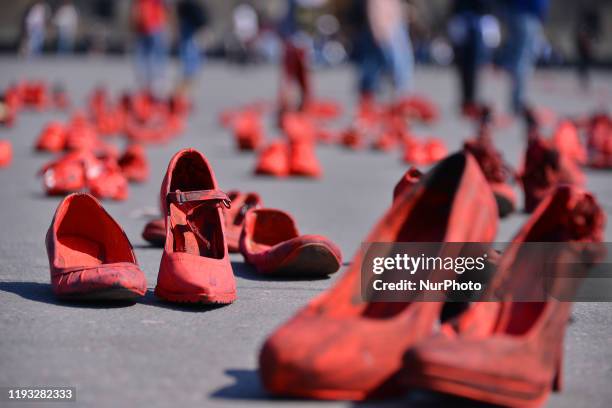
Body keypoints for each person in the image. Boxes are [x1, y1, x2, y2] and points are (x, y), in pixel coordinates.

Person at [500, 0, 549, 114]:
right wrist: (542, 14)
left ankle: (516, 99)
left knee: (518, 58)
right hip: (528, 15)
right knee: (523, 60)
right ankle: (518, 101)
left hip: (515, 13)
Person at [448, 0, 490, 118]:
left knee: (473, 66)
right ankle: (467, 100)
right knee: (464, 65)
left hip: (475, 24)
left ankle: (470, 100)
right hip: (465, 21)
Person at [368, 0, 414, 100]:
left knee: (402, 61)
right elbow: (375, 14)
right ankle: (396, 88)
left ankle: (401, 88)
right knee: (392, 62)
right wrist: (378, 31)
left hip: (396, 27)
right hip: (387, 30)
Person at [131, 0, 169, 95]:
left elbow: (135, 10)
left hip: (144, 26)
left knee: (144, 56)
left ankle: (145, 83)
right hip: (154, 26)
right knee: (155, 55)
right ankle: (155, 82)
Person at [176, 0, 208, 96]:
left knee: (191, 54)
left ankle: (188, 80)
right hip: (190, 27)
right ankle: (187, 81)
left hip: (190, 27)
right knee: (190, 54)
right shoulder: (188, 4)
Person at [575, 8, 600, 90]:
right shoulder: (582, 28)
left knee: (584, 65)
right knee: (583, 65)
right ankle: (583, 79)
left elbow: (590, 40)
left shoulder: (586, 29)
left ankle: (584, 79)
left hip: (584, 50)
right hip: (582, 50)